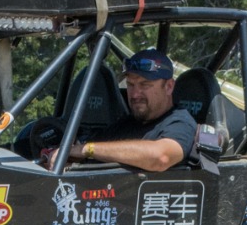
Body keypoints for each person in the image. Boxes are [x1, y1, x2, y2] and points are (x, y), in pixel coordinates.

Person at [65, 48, 195, 173]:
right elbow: (95, 152)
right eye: (130, 84)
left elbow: (161, 158)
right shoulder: (125, 124)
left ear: (169, 87)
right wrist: (68, 159)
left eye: (144, 85)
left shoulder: (180, 124)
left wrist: (87, 149)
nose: (135, 94)